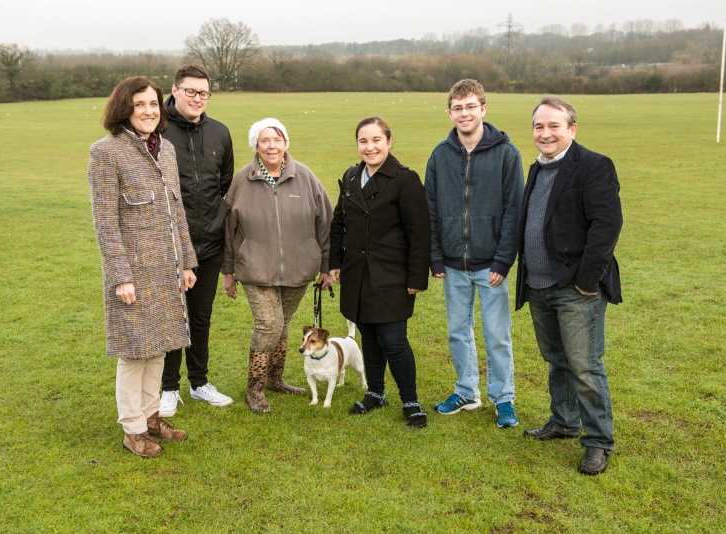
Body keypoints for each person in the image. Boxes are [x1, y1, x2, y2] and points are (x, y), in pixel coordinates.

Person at [88, 76, 196, 458]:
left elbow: (177, 211)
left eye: (153, 103)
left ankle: (152, 418)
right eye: (140, 104)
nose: (149, 111)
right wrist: (120, 277)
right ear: (125, 108)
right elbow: (105, 222)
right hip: (133, 273)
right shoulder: (106, 152)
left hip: (167, 269)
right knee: (134, 352)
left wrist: (187, 262)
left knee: (160, 347)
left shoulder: (166, 149)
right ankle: (132, 430)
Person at [516, 96, 623, 475]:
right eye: (539, 126)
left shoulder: (594, 166)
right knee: (557, 360)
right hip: (539, 285)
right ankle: (563, 421)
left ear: (572, 129)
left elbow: (606, 226)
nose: (545, 133)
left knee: (584, 365)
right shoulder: (538, 167)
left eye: (554, 126)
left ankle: (598, 442)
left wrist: (586, 281)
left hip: (576, 289)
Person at [425, 79, 524, 428]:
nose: (464, 113)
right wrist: (435, 255)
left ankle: (504, 398)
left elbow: (514, 210)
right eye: (457, 108)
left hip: (491, 265)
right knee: (458, 331)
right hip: (452, 264)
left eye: (470, 106)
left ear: (483, 108)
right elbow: (430, 209)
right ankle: (466, 390)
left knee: (497, 335)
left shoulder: (507, 154)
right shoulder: (440, 155)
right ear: (450, 112)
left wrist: (503, 259)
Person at [221, 118, 333, 414]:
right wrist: (228, 271)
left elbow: (326, 223)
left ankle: (275, 379)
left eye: (277, 139)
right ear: (256, 146)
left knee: (283, 323)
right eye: (264, 140)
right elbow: (228, 230)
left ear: (285, 143)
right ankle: (255, 388)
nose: (271, 146)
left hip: (299, 269)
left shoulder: (306, 177)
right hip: (254, 269)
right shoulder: (242, 181)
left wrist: (326, 265)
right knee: (268, 324)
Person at [329, 116, 432, 428]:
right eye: (363, 141)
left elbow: (420, 232)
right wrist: (335, 262)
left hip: (391, 275)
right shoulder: (351, 176)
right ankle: (375, 392)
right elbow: (339, 222)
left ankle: (410, 401)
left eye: (376, 140)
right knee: (369, 337)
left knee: (393, 340)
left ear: (389, 142)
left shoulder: (405, 179)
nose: (370, 147)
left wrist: (416, 277)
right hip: (356, 273)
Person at [159, 65, 235, 417]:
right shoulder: (157, 131)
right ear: (175, 90)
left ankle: (199, 382)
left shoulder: (220, 132)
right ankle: (168, 388)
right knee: (174, 317)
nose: (197, 98)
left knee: (201, 317)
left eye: (203, 93)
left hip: (210, 244)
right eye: (190, 91)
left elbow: (224, 184)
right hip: (170, 244)